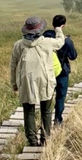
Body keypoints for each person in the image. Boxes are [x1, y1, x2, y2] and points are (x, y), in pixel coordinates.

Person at [10, 16, 65, 146]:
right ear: (39, 30)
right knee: (46, 110)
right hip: (45, 80)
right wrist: (58, 29)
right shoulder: (47, 42)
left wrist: (14, 83)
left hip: (26, 81)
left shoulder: (19, 45)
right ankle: (45, 139)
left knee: (28, 110)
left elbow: (13, 65)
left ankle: (32, 141)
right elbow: (60, 42)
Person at [43, 14, 78, 126]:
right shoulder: (67, 41)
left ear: (53, 24)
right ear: (63, 26)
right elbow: (73, 56)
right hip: (62, 72)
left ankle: (45, 121)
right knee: (60, 96)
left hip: (47, 70)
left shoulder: (45, 37)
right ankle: (58, 120)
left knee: (47, 96)